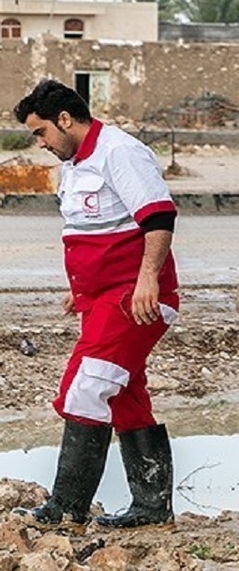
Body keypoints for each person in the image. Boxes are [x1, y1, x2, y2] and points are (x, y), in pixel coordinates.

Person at [11, 80, 180, 531]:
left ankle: (67, 508)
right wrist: (81, 288)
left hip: (135, 298)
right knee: (124, 397)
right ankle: (152, 508)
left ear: (65, 120)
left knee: (87, 387)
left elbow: (159, 216)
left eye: (41, 132)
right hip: (102, 298)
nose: (40, 143)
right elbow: (95, 229)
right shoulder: (75, 163)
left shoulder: (119, 152)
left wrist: (148, 279)